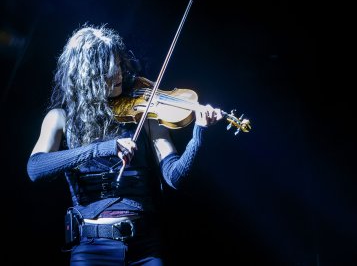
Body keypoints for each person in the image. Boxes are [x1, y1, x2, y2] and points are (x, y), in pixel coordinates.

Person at [26, 24, 222, 265]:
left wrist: (198, 134)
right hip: (92, 248)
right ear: (87, 74)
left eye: (119, 65)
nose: (118, 74)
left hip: (144, 247)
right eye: (108, 69)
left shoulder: (146, 113)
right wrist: (102, 148)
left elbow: (175, 176)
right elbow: (35, 168)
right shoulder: (60, 118)